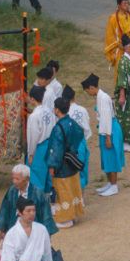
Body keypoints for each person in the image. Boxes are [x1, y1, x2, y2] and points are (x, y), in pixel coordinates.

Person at [82, 73, 126, 197]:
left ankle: (114, 185)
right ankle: (110, 183)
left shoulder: (103, 98)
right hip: (106, 129)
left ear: (91, 87)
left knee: (111, 157)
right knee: (106, 158)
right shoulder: (100, 97)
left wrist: (108, 137)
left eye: (87, 91)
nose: (88, 94)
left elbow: (106, 118)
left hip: (109, 131)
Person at [47, 98, 85, 229]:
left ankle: (64, 218)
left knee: (62, 191)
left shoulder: (58, 128)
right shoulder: (72, 123)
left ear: (57, 109)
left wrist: (52, 166)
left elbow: (56, 149)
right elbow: (80, 134)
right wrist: (71, 148)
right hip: (71, 160)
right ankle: (73, 213)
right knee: (72, 188)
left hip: (62, 164)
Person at [0, 164, 58, 238]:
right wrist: (3, 229)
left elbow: (46, 215)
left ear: (27, 179)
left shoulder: (38, 193)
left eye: (17, 179)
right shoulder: (12, 191)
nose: (14, 181)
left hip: (32, 229)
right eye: (13, 178)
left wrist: (47, 234)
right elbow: (5, 210)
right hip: (14, 226)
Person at [25, 85, 55, 192]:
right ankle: (48, 199)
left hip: (39, 147)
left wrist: (31, 153)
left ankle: (37, 201)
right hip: (50, 144)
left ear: (32, 99)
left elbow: (33, 137)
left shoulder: (34, 116)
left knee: (36, 175)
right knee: (47, 173)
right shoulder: (49, 111)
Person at [61, 85, 91, 190]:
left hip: (68, 144)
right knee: (81, 167)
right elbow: (86, 128)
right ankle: (81, 197)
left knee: (70, 169)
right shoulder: (82, 110)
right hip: (80, 142)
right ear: (74, 97)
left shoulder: (63, 112)